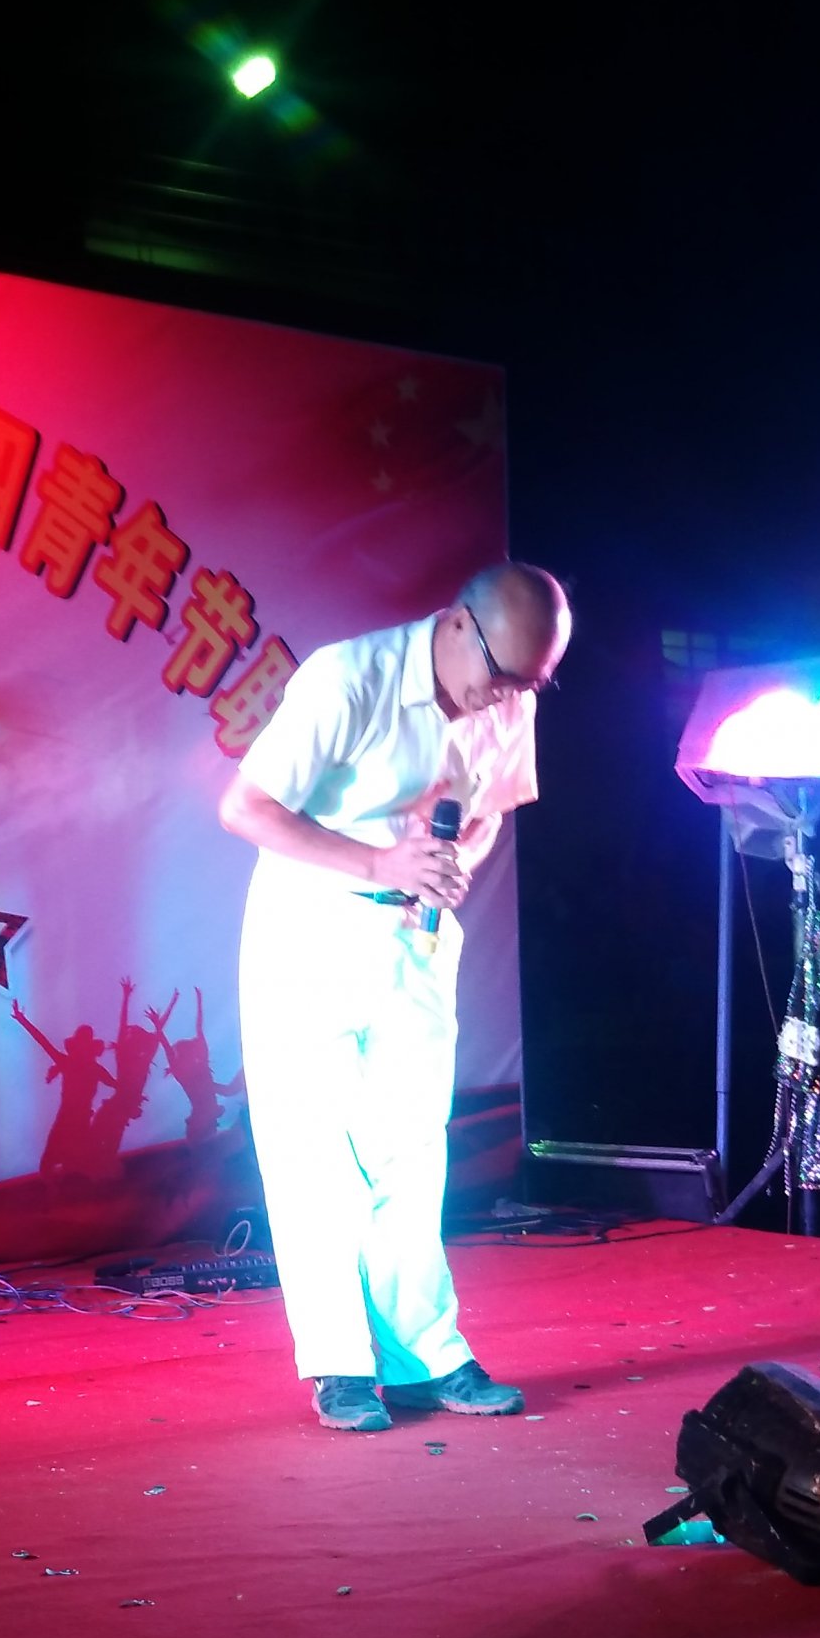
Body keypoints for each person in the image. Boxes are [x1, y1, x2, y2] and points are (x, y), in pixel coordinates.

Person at [216, 562, 569, 1431]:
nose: (505, 698)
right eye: (501, 675)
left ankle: (425, 1358)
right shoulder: (348, 678)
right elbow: (246, 808)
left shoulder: (509, 700)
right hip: (310, 927)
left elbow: (490, 810)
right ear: (456, 624)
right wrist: (381, 861)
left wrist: (449, 865)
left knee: (412, 1149)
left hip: (416, 937)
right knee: (314, 1152)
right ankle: (339, 1364)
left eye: (529, 685)